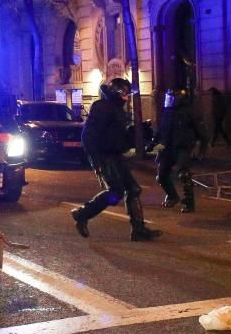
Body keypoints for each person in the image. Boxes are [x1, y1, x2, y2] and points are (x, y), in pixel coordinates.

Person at [71, 78, 160, 242]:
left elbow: (120, 138)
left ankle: (138, 230)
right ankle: (83, 214)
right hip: (105, 156)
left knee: (133, 189)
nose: (126, 97)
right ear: (116, 92)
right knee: (115, 192)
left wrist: (138, 132)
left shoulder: (117, 109)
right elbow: (88, 137)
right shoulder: (102, 108)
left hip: (116, 155)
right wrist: (96, 161)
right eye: (124, 93)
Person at [151, 88, 208, 213]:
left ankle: (189, 202)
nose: (168, 100)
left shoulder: (188, 112)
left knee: (184, 174)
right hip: (167, 148)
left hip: (182, 146)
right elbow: (161, 131)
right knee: (161, 176)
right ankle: (172, 196)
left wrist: (202, 145)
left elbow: (199, 130)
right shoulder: (167, 112)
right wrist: (153, 143)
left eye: (171, 98)